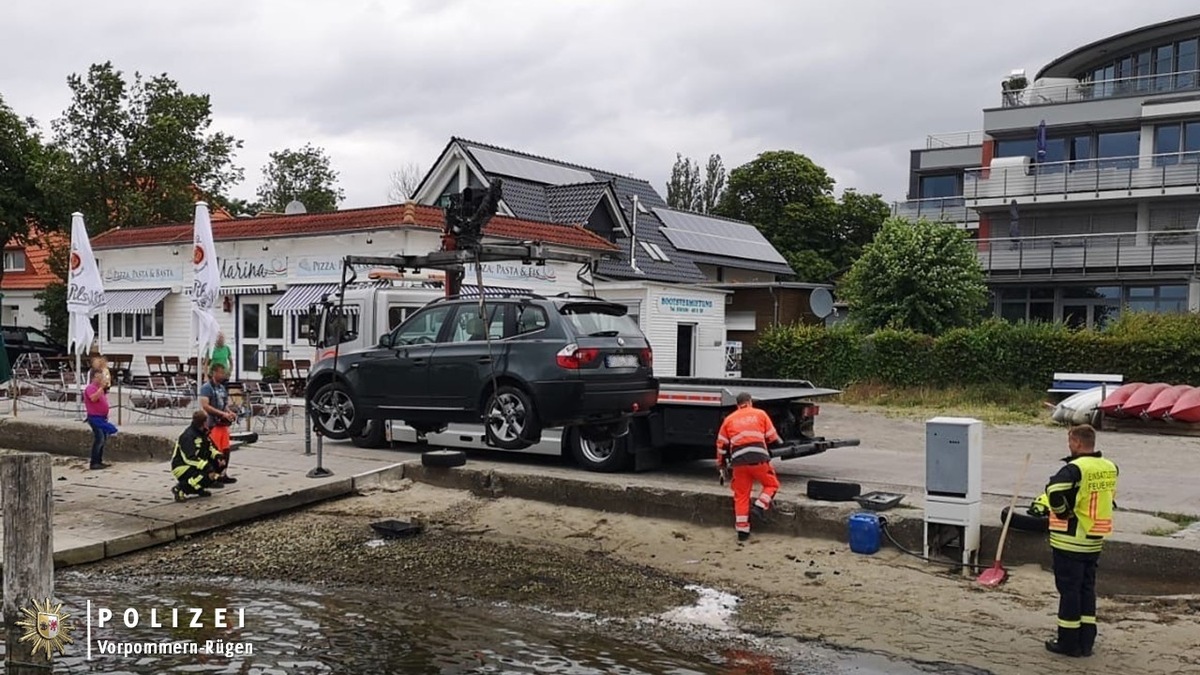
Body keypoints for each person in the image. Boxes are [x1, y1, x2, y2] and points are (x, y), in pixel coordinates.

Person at [1043, 424, 1119, 658]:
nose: (1069, 445)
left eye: (1070, 441)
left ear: (1077, 443)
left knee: (1069, 591)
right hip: (1094, 538)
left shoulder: (1075, 468)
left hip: (1070, 539)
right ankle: (1086, 640)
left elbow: (1054, 491)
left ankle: (1067, 642)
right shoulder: (1109, 467)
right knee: (1087, 589)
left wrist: (1062, 511)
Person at [715, 392, 783, 542]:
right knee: (771, 485)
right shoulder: (760, 414)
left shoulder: (729, 419)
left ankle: (742, 531)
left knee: (741, 495)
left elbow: (721, 445)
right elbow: (772, 436)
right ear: (750, 402)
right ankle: (759, 506)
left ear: (737, 405)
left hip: (738, 463)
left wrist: (720, 463)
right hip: (759, 459)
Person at [171, 410, 228, 501]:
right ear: (204, 423)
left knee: (217, 467)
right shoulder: (188, 436)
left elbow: (210, 448)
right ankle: (180, 488)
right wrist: (206, 466)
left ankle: (198, 488)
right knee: (206, 474)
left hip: (197, 463)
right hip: (182, 466)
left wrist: (218, 457)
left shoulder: (203, 432)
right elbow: (189, 458)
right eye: (207, 420)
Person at [199, 363, 238, 484]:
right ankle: (212, 477)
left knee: (225, 450)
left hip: (223, 425)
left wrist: (229, 412)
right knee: (213, 451)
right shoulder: (206, 388)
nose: (223, 375)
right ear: (214, 373)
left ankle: (223, 473)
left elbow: (224, 404)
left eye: (224, 372)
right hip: (213, 424)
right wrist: (221, 414)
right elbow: (205, 405)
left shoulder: (221, 387)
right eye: (221, 372)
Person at [83, 370, 117, 470]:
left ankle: (99, 460)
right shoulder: (91, 388)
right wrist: (101, 389)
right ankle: (94, 462)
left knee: (103, 439)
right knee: (99, 439)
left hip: (101, 417)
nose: (100, 379)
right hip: (94, 417)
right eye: (98, 377)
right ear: (93, 378)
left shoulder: (99, 389)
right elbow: (93, 399)